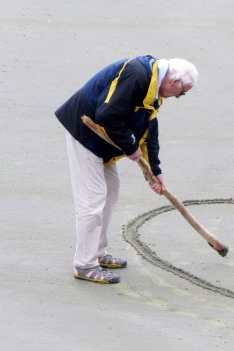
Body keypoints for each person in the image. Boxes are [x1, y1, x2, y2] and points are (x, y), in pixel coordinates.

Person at [55, 55, 197, 284]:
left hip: (103, 142)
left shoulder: (154, 88)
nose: (179, 97)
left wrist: (154, 171)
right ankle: (84, 264)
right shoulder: (138, 75)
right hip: (84, 134)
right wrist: (131, 148)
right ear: (174, 82)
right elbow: (106, 115)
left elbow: (149, 128)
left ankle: (97, 253)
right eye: (182, 92)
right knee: (92, 200)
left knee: (111, 193)